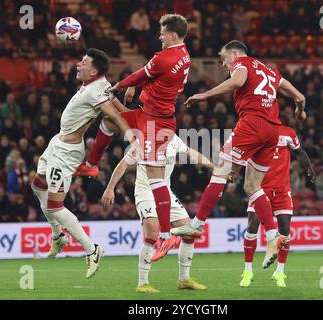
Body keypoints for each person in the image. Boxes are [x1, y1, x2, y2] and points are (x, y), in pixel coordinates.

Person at [171, 40, 306, 269]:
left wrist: (204, 95)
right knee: (252, 187)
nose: (224, 64)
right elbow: (300, 97)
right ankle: (273, 236)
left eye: (223, 58)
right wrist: (299, 112)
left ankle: (197, 224)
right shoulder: (270, 71)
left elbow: (238, 81)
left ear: (234, 53)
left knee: (220, 171)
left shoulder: (241, 63)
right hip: (272, 130)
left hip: (252, 122)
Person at [74, 14, 190, 260]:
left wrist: (120, 85)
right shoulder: (183, 55)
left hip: (156, 122)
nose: (159, 36)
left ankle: (166, 234)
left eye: (162, 32)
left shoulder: (165, 57)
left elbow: (141, 75)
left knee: (154, 175)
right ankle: (92, 165)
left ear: (172, 35)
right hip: (147, 114)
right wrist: (132, 87)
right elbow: (149, 77)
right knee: (109, 121)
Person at [30, 48, 138, 279]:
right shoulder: (100, 85)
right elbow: (119, 107)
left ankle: (92, 249)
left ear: (94, 70)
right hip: (57, 143)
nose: (78, 65)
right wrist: (134, 114)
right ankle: (58, 236)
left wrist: (131, 138)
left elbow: (114, 116)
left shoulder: (94, 92)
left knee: (54, 207)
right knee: (37, 185)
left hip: (66, 153)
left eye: (84, 62)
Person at [101, 134, 214, 292]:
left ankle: (184, 279)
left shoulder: (174, 139)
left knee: (189, 231)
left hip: (165, 191)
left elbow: (192, 153)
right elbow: (123, 164)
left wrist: (214, 167)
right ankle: (142, 283)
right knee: (152, 231)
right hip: (145, 190)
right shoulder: (144, 139)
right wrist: (110, 188)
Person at [240, 125, 315, 288]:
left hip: (282, 189)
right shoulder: (256, 131)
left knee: (285, 230)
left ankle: (280, 272)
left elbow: (300, 152)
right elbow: (243, 154)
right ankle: (247, 271)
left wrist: (308, 167)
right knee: (252, 226)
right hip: (260, 188)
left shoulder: (288, 133)